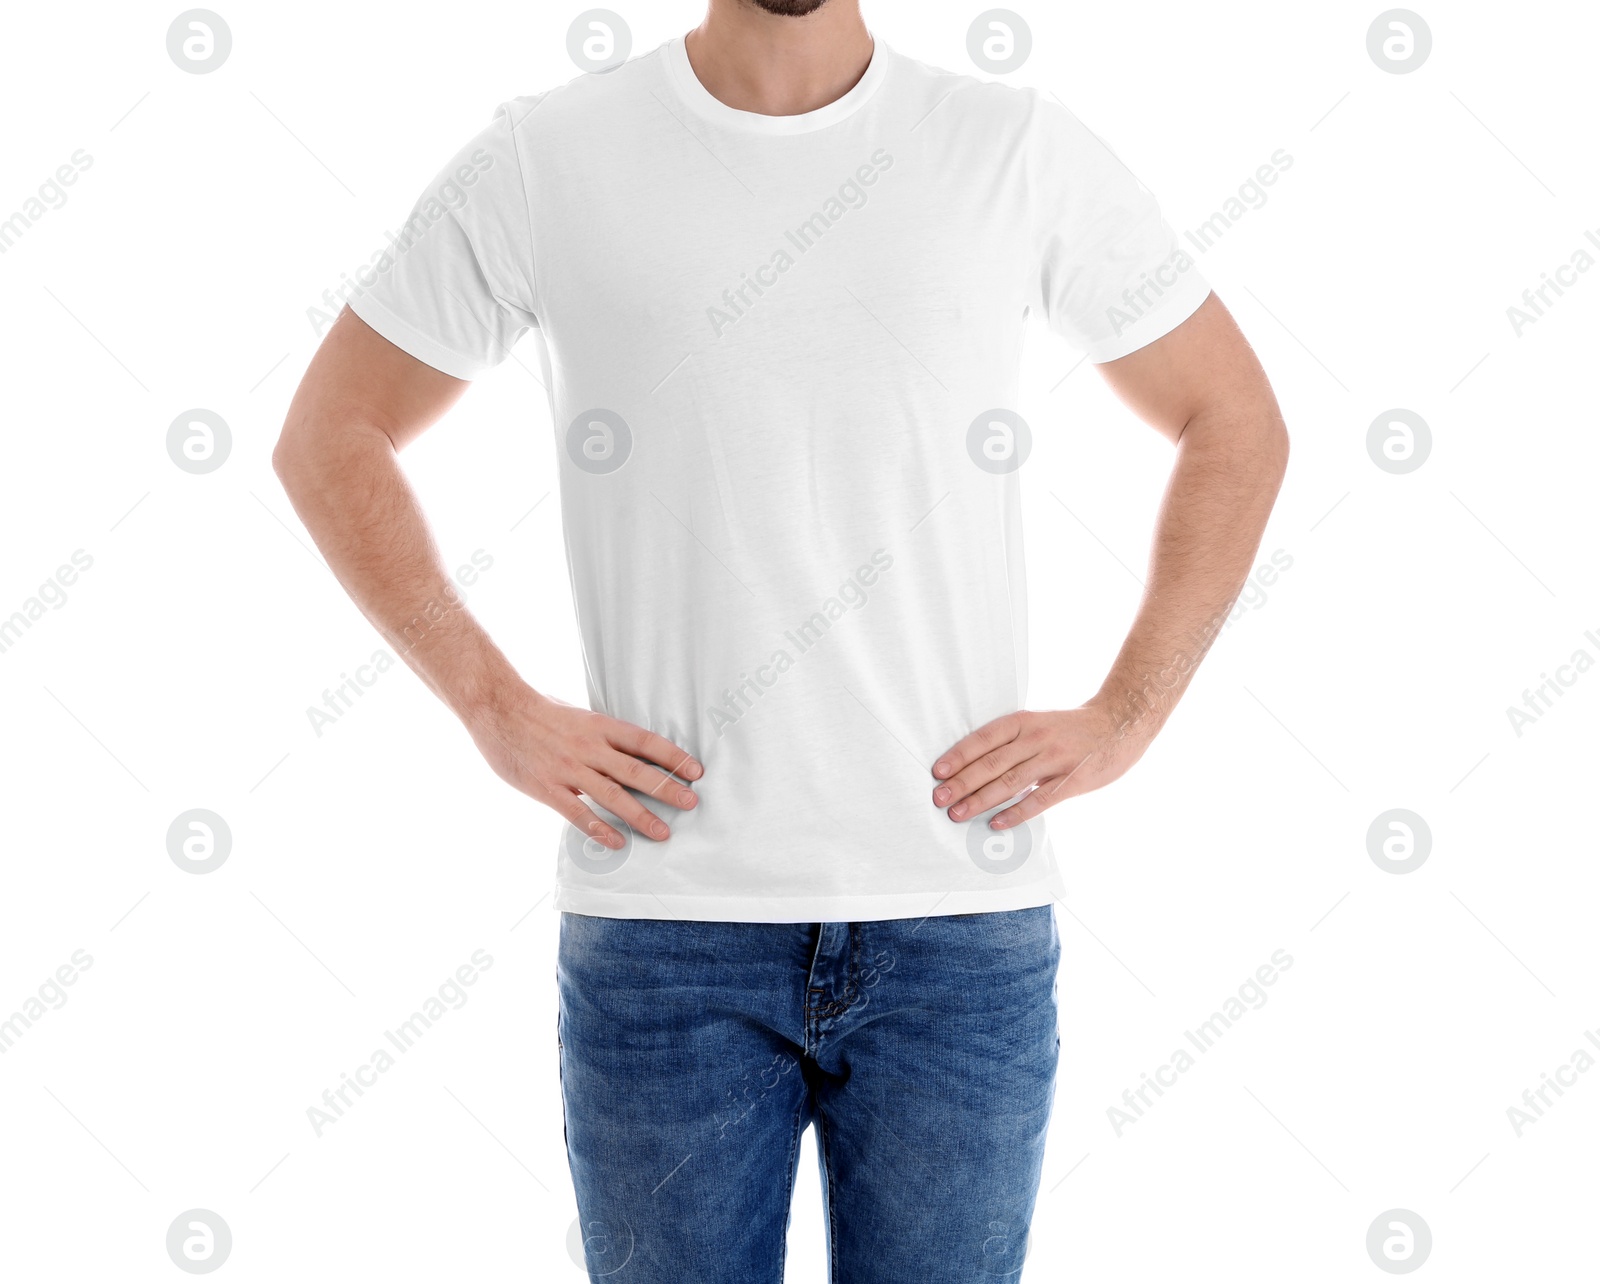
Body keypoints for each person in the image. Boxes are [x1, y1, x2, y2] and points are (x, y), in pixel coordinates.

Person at [273, 0, 1288, 1278]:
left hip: (954, 925)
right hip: (667, 929)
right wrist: (490, 703)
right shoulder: (551, 156)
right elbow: (330, 437)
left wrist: (1129, 709)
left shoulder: (1013, 148)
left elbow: (1234, 421)